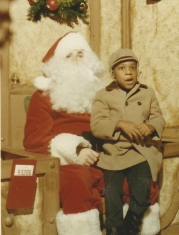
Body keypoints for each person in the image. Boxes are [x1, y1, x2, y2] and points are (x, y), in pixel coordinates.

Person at [23, 32, 107, 235]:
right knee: (77, 179)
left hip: (101, 159)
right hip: (64, 164)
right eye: (69, 55)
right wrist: (75, 150)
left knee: (131, 176)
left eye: (81, 54)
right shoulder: (42, 97)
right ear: (57, 63)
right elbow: (34, 141)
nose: (76, 60)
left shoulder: (100, 94)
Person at [91, 48, 166, 235]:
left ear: (138, 71)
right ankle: (114, 229)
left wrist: (151, 127)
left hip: (141, 152)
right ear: (112, 74)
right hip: (114, 154)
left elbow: (159, 119)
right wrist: (119, 124)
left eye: (132, 68)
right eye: (122, 68)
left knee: (142, 192)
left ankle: (131, 225)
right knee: (113, 193)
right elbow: (97, 126)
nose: (128, 72)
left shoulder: (147, 93)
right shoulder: (103, 95)